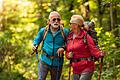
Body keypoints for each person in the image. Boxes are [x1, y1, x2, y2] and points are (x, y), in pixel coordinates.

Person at [65, 15, 105, 80]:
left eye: (71, 24)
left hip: (87, 66)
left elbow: (93, 49)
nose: (70, 25)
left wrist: (100, 54)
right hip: (75, 68)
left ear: (76, 25)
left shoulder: (85, 36)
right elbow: (67, 51)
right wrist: (68, 56)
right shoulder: (69, 37)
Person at [32, 11, 69, 80]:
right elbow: (37, 39)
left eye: (58, 19)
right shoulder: (43, 31)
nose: (56, 21)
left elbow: (70, 44)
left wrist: (63, 48)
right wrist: (35, 45)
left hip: (57, 62)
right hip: (44, 60)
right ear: (49, 21)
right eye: (54, 19)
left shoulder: (65, 32)